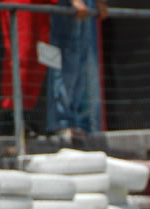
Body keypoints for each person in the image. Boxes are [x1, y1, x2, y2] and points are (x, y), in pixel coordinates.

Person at [45, 0, 108, 141]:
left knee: (83, 61)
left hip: (87, 4)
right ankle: (61, 124)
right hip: (66, 4)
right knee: (65, 61)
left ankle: (78, 123)